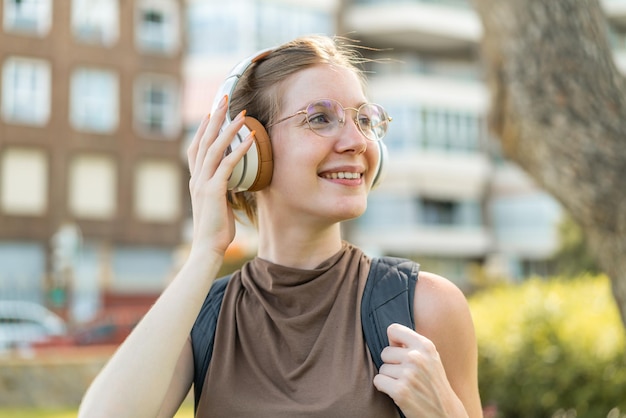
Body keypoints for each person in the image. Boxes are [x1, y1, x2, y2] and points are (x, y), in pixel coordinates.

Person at [78, 35, 483, 418]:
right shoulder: (205, 315)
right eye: (321, 118)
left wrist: (443, 410)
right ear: (250, 150)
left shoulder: (424, 305)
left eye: (363, 119)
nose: (357, 141)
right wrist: (205, 252)